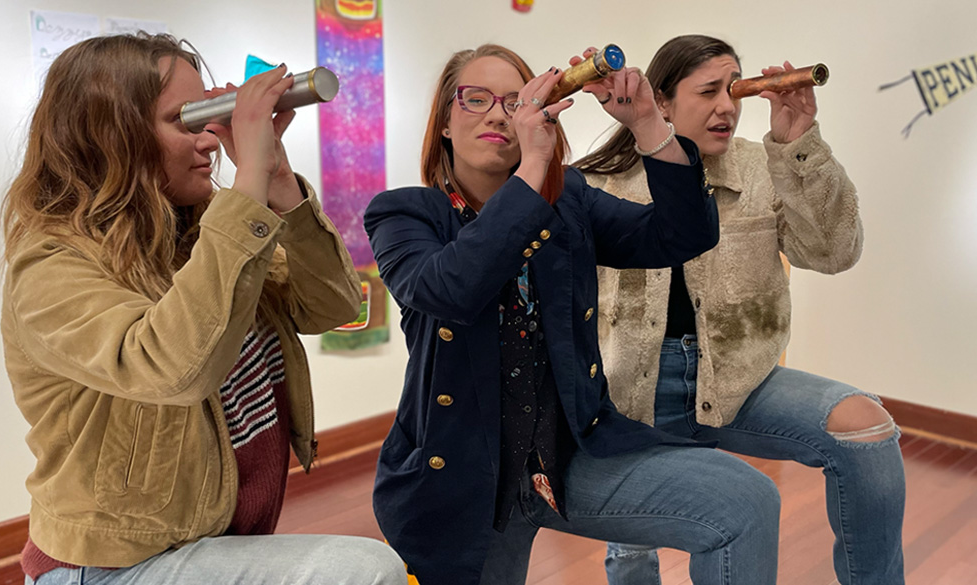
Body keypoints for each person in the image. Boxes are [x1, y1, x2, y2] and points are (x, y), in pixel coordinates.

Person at [365, 44, 783, 585]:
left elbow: (681, 236)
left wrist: (649, 124)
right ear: (444, 123)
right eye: (475, 100)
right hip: (467, 480)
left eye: (515, 102)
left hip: (573, 456)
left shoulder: (571, 199)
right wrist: (535, 165)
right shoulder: (402, 214)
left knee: (746, 498)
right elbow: (452, 288)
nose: (498, 114)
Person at [0, 33, 406, 585]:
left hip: (208, 540)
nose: (212, 140)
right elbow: (173, 366)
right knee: (365, 571)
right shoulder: (51, 263)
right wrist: (247, 190)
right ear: (111, 134)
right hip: (110, 566)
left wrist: (279, 180)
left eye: (213, 117)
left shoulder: (203, 229)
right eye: (188, 120)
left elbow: (332, 306)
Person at [575, 34, 905, 585]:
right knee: (632, 554)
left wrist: (800, 146)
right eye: (708, 91)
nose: (727, 106)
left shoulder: (762, 166)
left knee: (865, 428)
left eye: (733, 89)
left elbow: (834, 252)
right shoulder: (599, 183)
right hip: (633, 392)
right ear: (661, 100)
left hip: (741, 383)